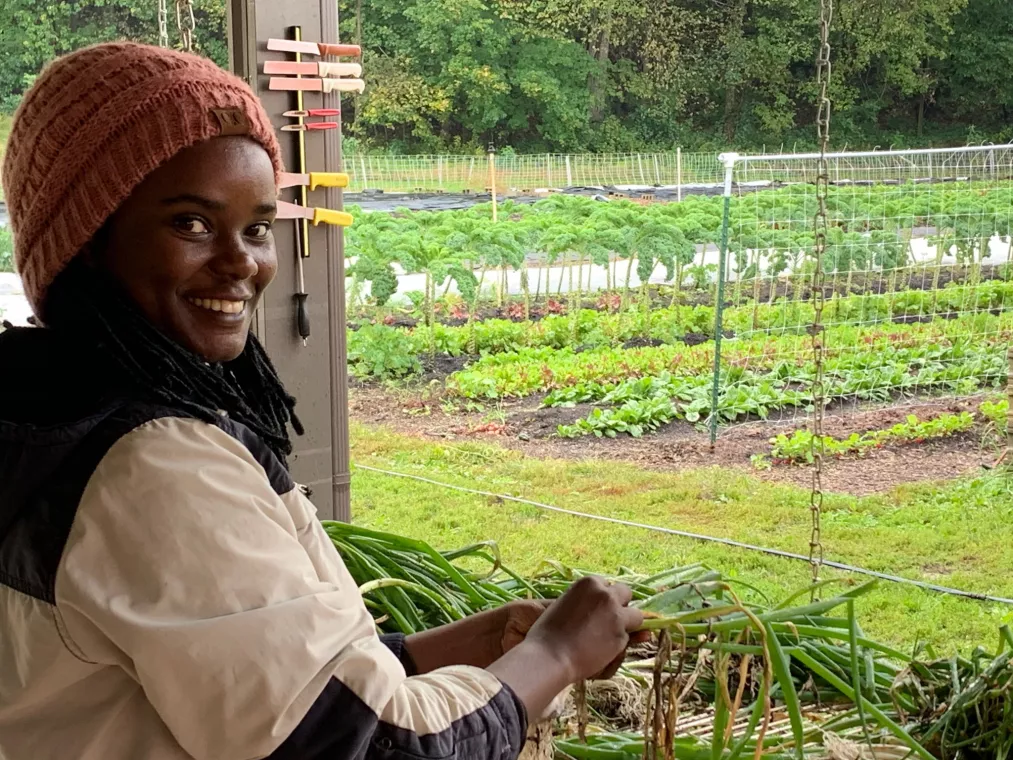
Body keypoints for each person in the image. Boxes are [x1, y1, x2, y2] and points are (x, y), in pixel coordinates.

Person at [0, 42, 645, 760]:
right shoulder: (151, 465)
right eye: (191, 223)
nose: (242, 261)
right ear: (87, 240)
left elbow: (247, 687)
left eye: (256, 228)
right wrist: (554, 655)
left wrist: (470, 646)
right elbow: (365, 746)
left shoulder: (42, 413)